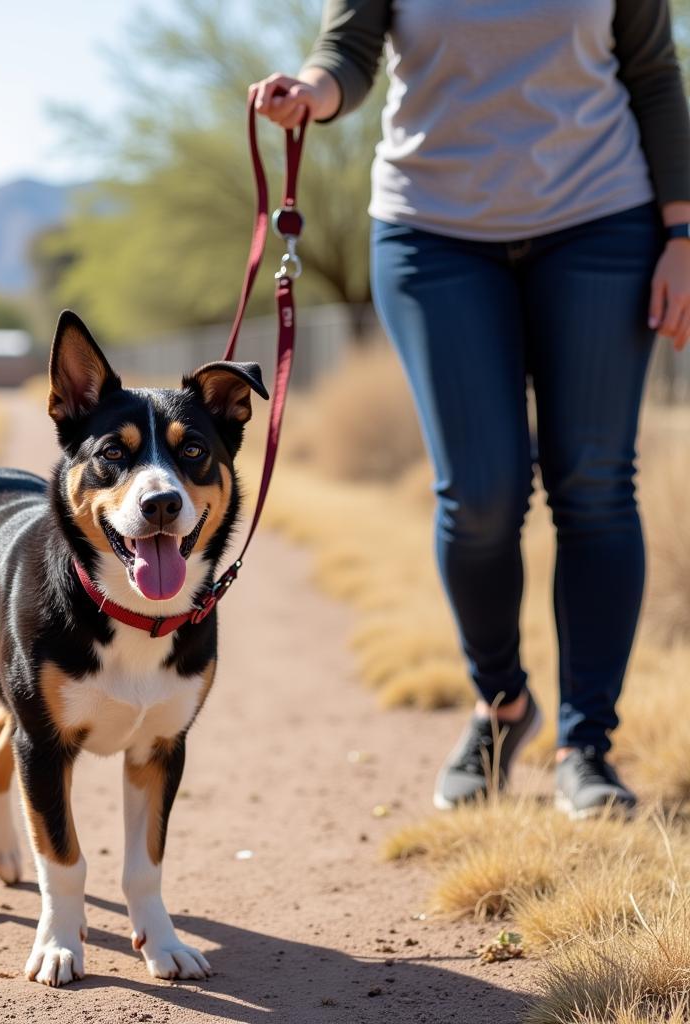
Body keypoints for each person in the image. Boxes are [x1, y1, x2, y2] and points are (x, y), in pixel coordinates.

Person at [252, 1, 690, 818]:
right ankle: (500, 704)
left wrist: (682, 233)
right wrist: (310, 92)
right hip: (432, 232)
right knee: (481, 492)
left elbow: (654, 74)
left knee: (593, 482)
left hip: (601, 221)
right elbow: (348, 49)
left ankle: (585, 744)